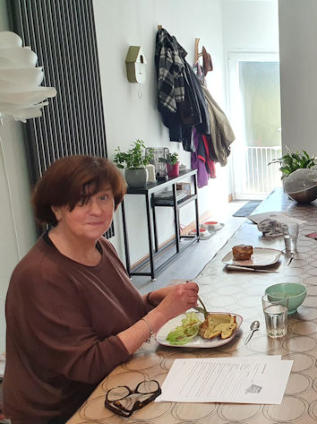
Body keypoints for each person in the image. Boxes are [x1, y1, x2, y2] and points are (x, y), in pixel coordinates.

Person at [4, 155, 200, 424]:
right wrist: (161, 314)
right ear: (57, 208)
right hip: (62, 410)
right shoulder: (40, 275)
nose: (96, 210)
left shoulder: (101, 247)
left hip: (112, 385)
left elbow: (118, 317)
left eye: (104, 198)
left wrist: (154, 298)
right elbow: (88, 363)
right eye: (82, 201)